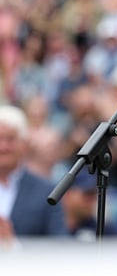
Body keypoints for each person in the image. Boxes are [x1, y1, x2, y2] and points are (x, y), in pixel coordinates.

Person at [0, 104, 68, 248]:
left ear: (24, 144)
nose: (3, 147)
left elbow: (60, 248)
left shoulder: (47, 192)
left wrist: (13, 246)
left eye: (11, 139)